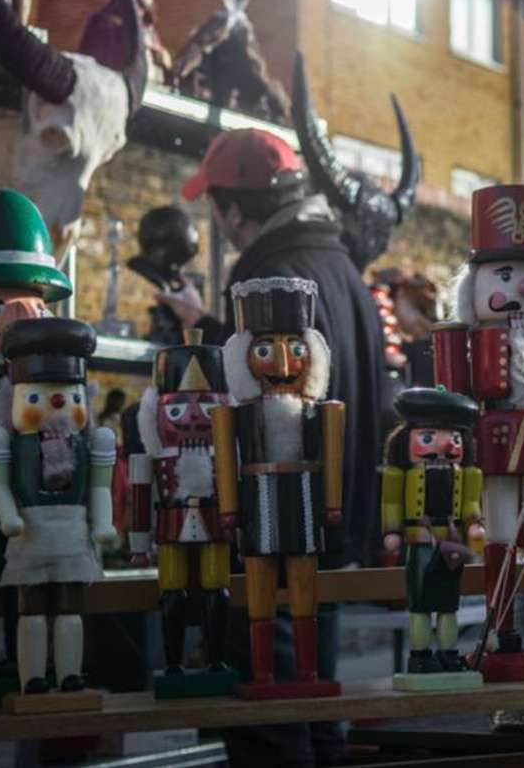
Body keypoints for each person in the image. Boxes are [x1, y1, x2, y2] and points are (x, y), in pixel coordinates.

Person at [158, 128, 388, 765]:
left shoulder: (266, 273)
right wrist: (209, 322)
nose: (221, 224)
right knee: (317, 700)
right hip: (335, 522)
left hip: (275, 519)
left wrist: (205, 333)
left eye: (219, 209)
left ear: (235, 208)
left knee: (268, 702)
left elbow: (267, 390)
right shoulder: (341, 267)